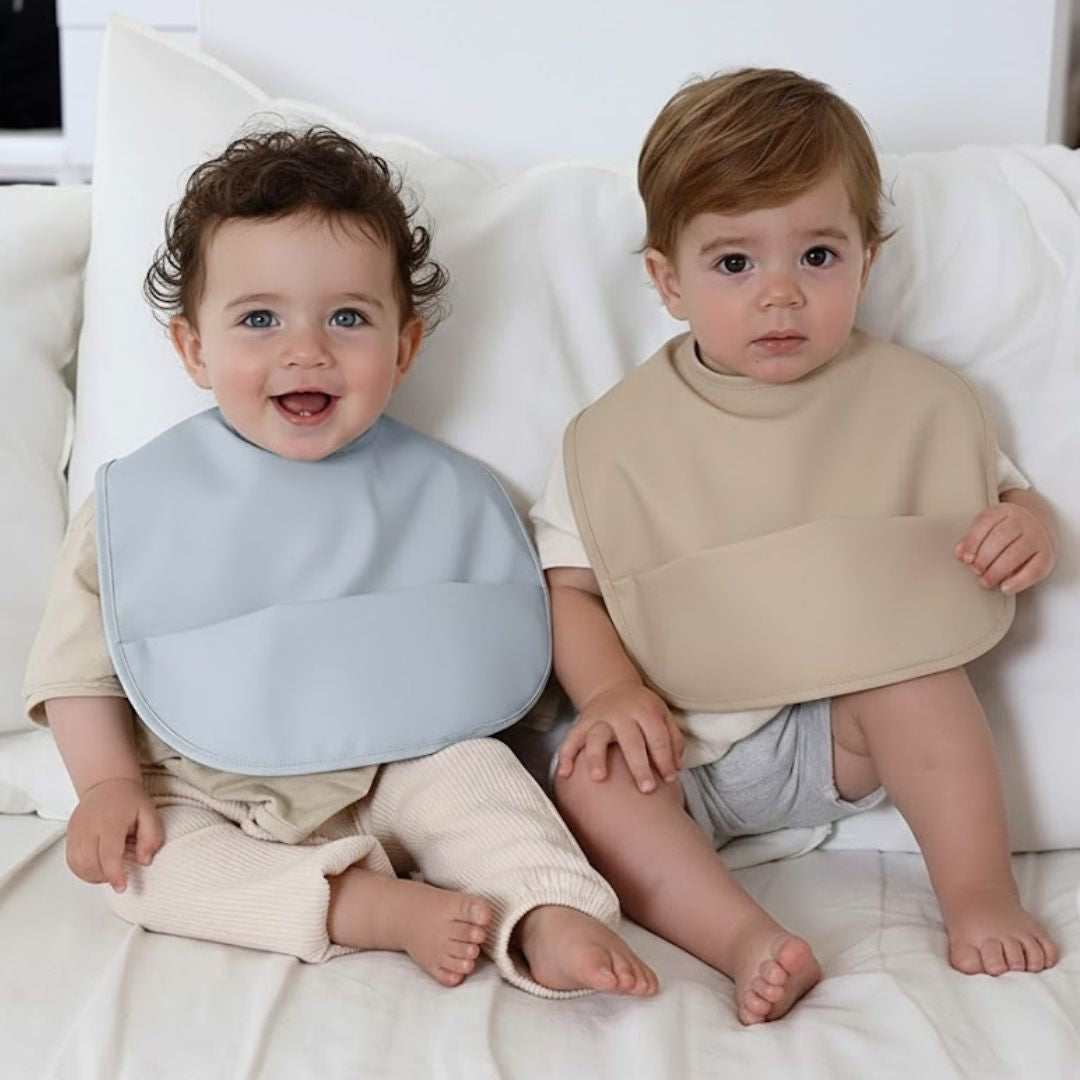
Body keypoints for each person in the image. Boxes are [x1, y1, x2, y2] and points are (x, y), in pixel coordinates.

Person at [23, 126, 657, 1000]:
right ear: (194, 349)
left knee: (478, 778)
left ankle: (546, 912)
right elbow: (79, 673)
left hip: (398, 760)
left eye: (348, 318)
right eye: (259, 319)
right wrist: (106, 785)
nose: (306, 349)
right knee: (146, 874)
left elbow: (496, 642)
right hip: (202, 782)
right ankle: (364, 907)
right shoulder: (137, 506)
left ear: (404, 347)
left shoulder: (449, 495)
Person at [530, 68, 1059, 1024]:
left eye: (818, 255)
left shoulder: (913, 403)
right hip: (676, 747)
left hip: (832, 736)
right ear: (668, 281)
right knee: (589, 776)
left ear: (868, 260)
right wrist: (611, 694)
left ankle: (979, 895)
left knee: (919, 680)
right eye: (734, 263)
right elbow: (569, 588)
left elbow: (1000, 496)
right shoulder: (618, 439)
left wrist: (1027, 528)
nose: (781, 294)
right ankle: (742, 938)